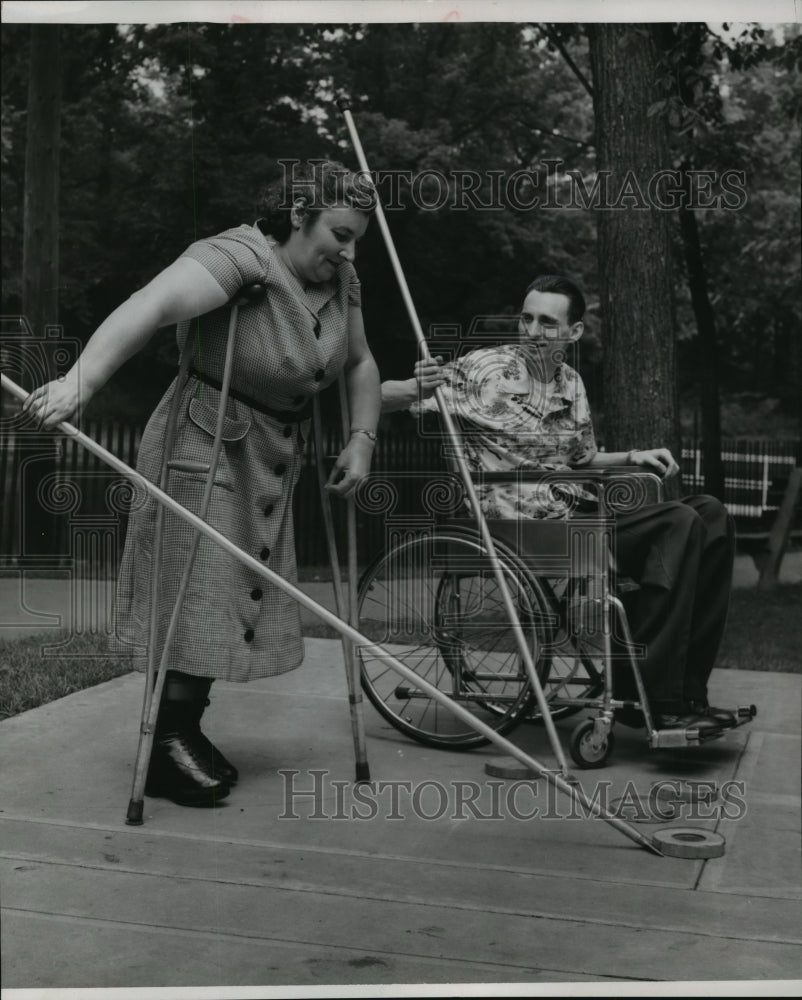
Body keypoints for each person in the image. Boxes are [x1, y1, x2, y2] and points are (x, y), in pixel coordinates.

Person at [23, 160, 381, 807]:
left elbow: (359, 362)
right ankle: (167, 739)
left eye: (358, 237)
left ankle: (182, 727)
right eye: (340, 233)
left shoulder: (342, 280)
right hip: (205, 440)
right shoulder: (241, 255)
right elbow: (151, 304)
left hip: (271, 452)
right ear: (300, 216)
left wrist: (362, 436)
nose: (350, 251)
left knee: (233, 595)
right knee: (200, 586)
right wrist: (81, 381)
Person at [381, 274, 738, 736]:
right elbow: (379, 395)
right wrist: (416, 388)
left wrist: (632, 457)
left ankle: (687, 692)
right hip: (514, 524)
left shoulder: (570, 382)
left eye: (547, 322)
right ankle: (656, 695)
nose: (532, 330)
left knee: (709, 513)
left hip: (573, 513)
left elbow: (581, 459)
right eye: (526, 318)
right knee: (679, 521)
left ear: (573, 333)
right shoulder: (484, 371)